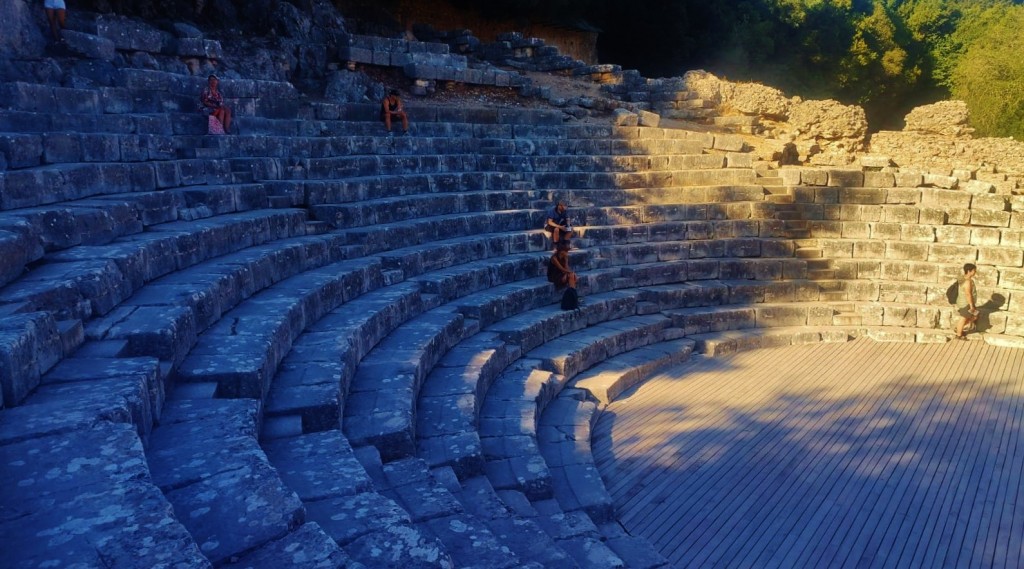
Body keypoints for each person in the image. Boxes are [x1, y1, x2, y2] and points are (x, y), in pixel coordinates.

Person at [954, 263, 979, 340]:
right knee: (964, 318)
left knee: (976, 315)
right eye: (974, 270)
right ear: (969, 271)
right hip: (966, 303)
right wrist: (971, 306)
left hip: (963, 302)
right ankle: (959, 335)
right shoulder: (967, 282)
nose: (975, 272)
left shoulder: (962, 278)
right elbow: (968, 294)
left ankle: (959, 328)